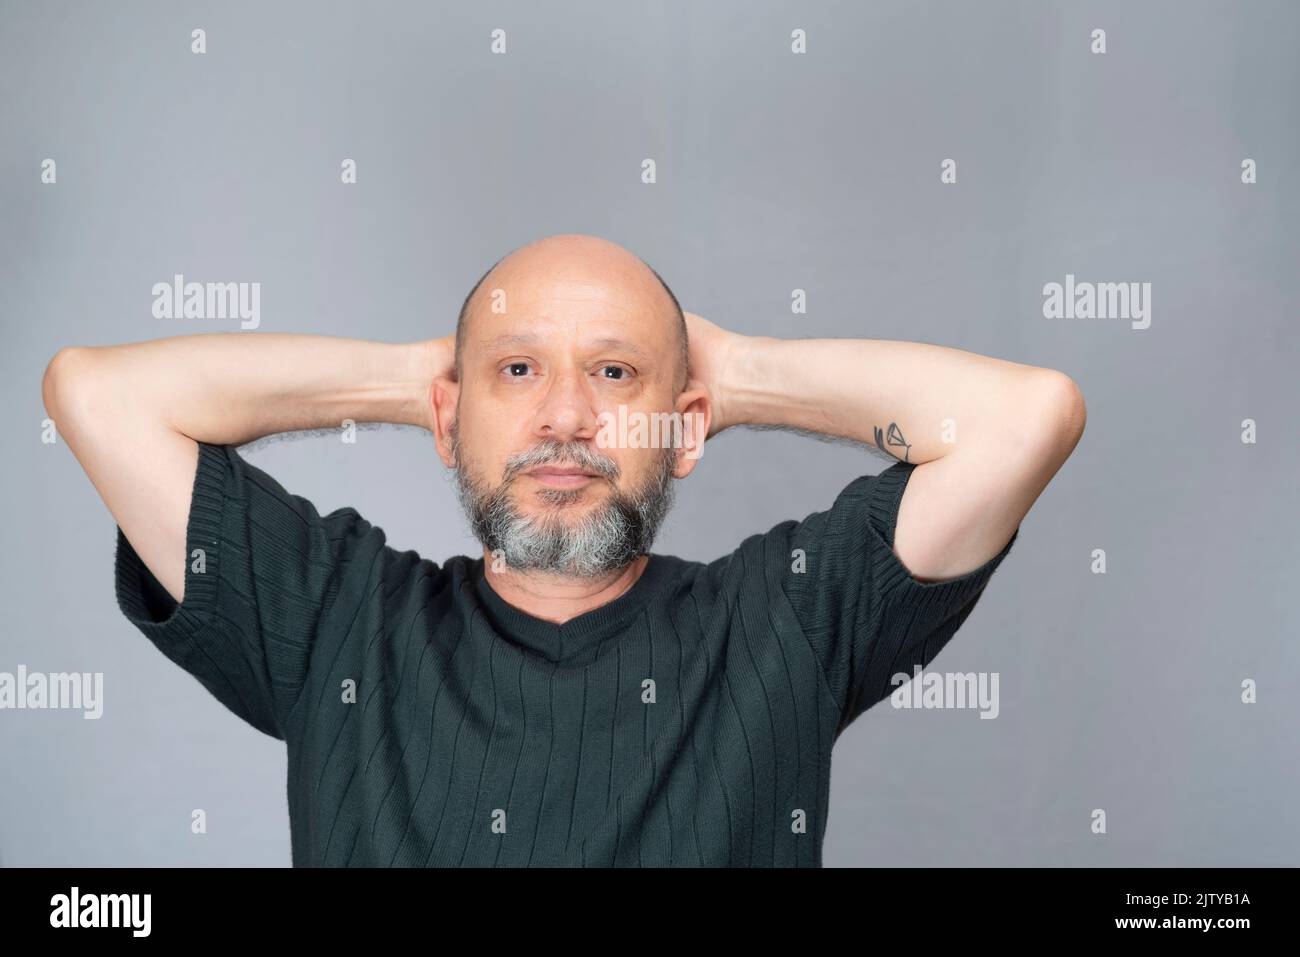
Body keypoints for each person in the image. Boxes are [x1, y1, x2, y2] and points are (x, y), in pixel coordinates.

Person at [41, 233, 1085, 866]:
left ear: (682, 430)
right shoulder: (333, 619)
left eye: (617, 377)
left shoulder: (789, 619)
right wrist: (419, 378)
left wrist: (738, 375)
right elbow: (99, 395)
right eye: (520, 374)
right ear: (449, 420)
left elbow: (1027, 417)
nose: (567, 420)